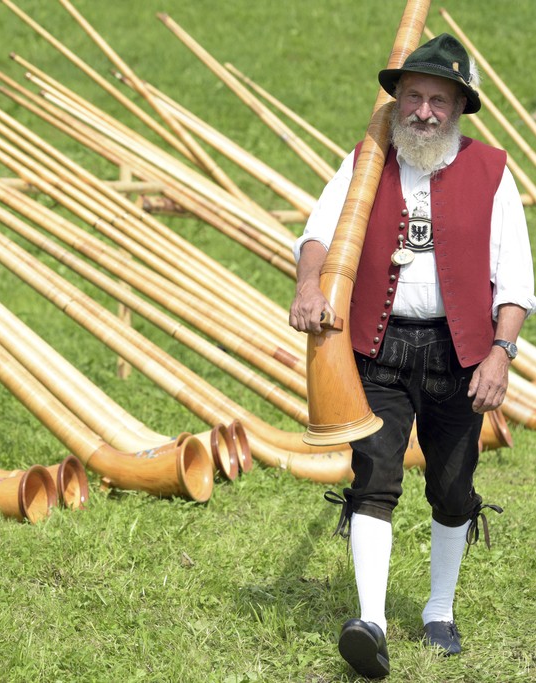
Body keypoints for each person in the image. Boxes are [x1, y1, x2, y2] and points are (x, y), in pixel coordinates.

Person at [288, 33, 536, 679]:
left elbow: (514, 279)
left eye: (437, 100)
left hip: (461, 353)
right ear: (397, 102)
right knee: (373, 477)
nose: (423, 111)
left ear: (458, 108)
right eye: (413, 97)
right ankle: (368, 619)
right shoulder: (368, 160)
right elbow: (316, 232)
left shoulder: (490, 171)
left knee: (452, 487)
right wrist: (309, 285)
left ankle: (437, 608)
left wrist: (499, 354)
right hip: (377, 345)